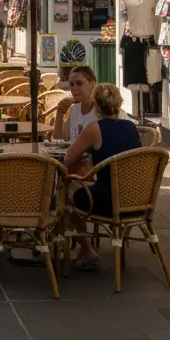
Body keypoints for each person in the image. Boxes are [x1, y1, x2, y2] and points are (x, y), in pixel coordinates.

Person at [63, 82, 142, 270]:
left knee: (68, 185)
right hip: (136, 200)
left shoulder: (94, 128)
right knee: (83, 185)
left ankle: (86, 248)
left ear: (96, 106)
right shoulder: (131, 127)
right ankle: (84, 250)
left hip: (108, 201)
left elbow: (67, 158)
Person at [60, 65, 98, 174]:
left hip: (92, 170)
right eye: (71, 84)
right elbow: (62, 137)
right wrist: (60, 113)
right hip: (74, 162)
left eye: (79, 83)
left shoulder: (100, 111)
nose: (74, 88)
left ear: (92, 84)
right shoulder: (74, 109)